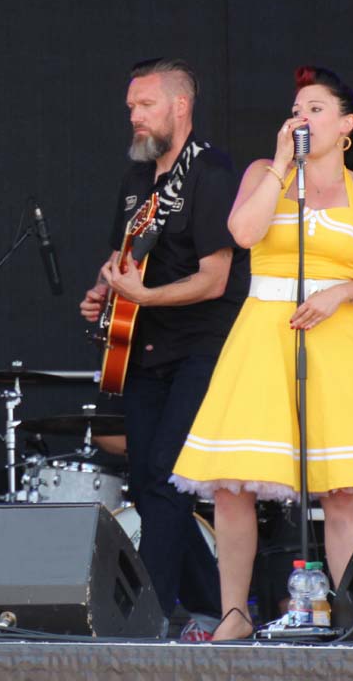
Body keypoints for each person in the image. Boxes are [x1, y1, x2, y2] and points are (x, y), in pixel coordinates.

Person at [171, 66, 353, 640]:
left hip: (338, 338)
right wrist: (281, 165)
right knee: (232, 485)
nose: (302, 118)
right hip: (263, 336)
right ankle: (234, 615)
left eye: (315, 109)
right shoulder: (263, 172)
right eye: (296, 110)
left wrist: (339, 294)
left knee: (342, 490)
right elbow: (243, 234)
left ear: (346, 124)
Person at [80, 58, 249, 632]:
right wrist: (104, 292)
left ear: (180, 106)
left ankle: (146, 617)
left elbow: (215, 279)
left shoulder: (212, 172)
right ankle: (209, 602)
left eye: (145, 104)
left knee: (166, 475)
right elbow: (120, 259)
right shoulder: (136, 179)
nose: (134, 115)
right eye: (131, 106)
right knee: (151, 482)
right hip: (141, 349)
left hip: (200, 348)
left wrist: (145, 297)